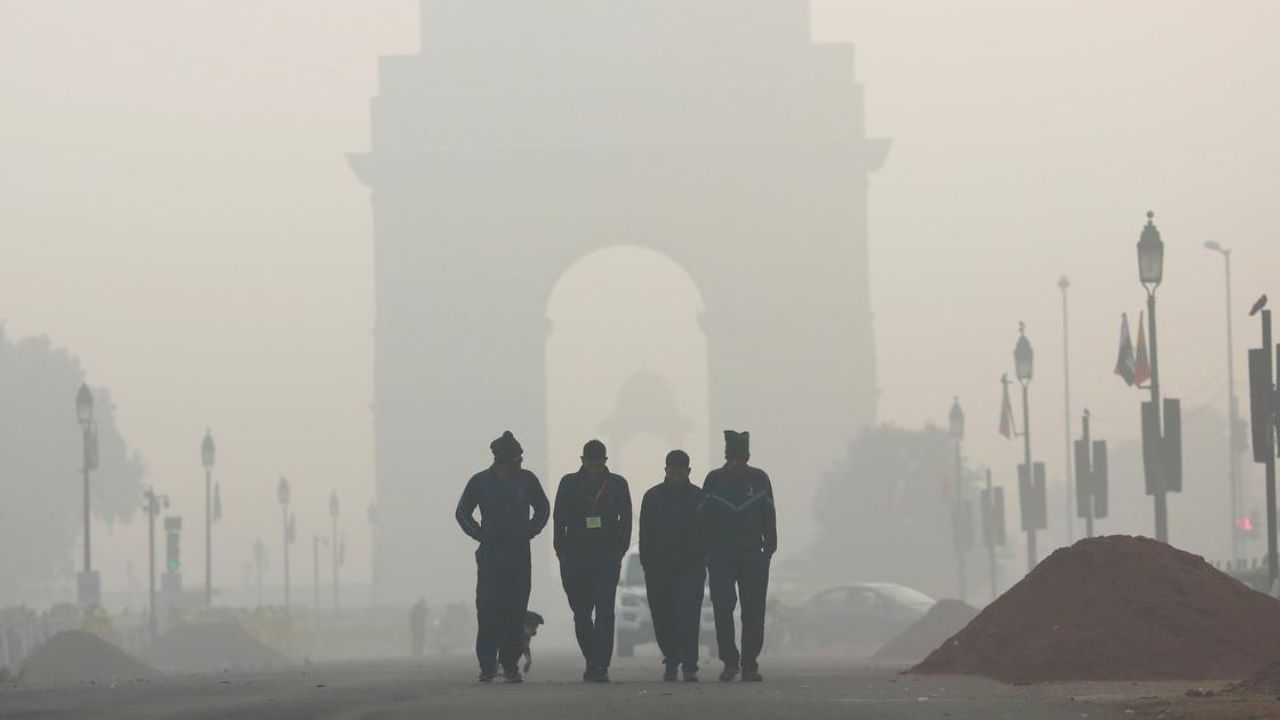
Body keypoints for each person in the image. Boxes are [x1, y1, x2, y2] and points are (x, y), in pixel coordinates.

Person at [455, 431, 550, 683]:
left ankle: (509, 665)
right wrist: (480, 534)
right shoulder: (480, 482)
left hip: (519, 554)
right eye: (516, 461)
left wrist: (531, 530)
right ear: (501, 461)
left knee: (514, 612)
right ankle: (488, 665)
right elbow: (462, 512)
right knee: (488, 610)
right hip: (490, 555)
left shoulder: (527, 480)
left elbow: (543, 508)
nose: (520, 464)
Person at [553, 439, 632, 682]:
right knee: (582, 613)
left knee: (605, 612)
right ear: (582, 461)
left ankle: (601, 664)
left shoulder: (617, 484)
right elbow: (559, 520)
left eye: (598, 464)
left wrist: (620, 549)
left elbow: (626, 519)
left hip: (607, 558)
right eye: (590, 464)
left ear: (605, 461)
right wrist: (562, 552)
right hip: (576, 558)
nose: (594, 469)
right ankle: (592, 659)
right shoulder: (568, 484)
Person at [701, 430, 777, 682]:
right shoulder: (714, 480)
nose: (737, 463)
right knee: (723, 608)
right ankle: (729, 661)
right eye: (732, 458)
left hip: (752, 554)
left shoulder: (759, 479)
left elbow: (769, 515)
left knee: (753, 611)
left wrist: (769, 549)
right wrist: (707, 552)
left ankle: (750, 663)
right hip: (721, 555)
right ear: (727, 457)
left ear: (747, 457)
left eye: (741, 458)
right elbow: (703, 518)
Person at [639, 449, 706, 682]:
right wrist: (646, 563)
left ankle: (689, 664)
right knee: (663, 615)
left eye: (681, 472)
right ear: (666, 470)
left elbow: (706, 530)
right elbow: (645, 533)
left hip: (691, 566)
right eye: (672, 472)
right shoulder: (652, 497)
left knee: (689, 615)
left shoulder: (699, 497)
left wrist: (703, 558)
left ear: (689, 471)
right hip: (660, 567)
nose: (676, 476)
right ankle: (671, 658)